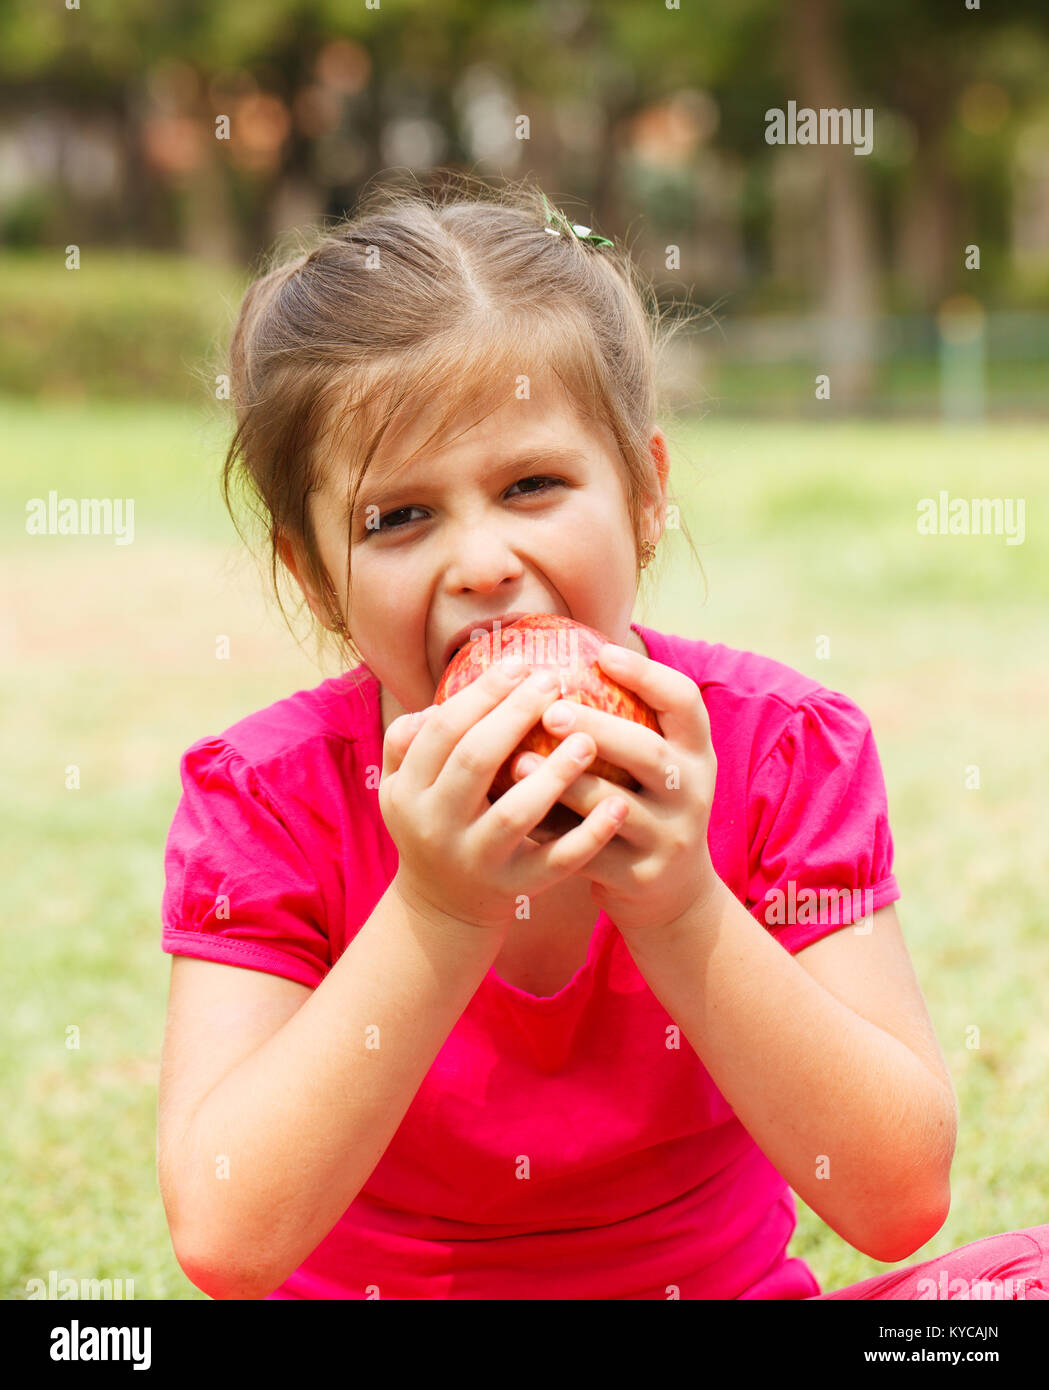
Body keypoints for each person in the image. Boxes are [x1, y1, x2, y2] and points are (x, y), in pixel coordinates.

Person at [157, 172, 1048, 1301]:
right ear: (315, 574)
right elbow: (227, 1239)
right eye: (398, 517)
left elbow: (893, 1198)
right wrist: (435, 907)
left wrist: (682, 905)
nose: (480, 562)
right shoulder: (270, 799)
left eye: (531, 484)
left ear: (641, 494)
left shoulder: (780, 755)